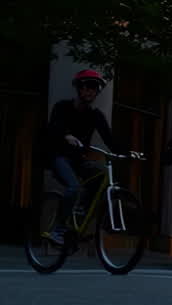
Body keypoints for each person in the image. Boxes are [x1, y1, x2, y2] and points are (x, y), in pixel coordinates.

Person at [41, 70, 120, 245]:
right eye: (86, 87)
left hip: (78, 160)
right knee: (74, 187)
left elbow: (109, 139)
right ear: (78, 89)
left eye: (94, 87)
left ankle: (81, 211)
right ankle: (58, 229)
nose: (90, 91)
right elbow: (54, 126)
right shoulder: (62, 107)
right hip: (58, 157)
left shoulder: (95, 115)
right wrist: (66, 135)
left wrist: (128, 152)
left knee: (101, 175)